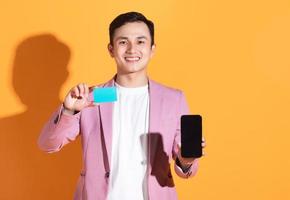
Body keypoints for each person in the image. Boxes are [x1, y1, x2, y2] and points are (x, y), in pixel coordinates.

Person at [38, 11, 205, 200]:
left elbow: (187, 170)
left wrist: (186, 160)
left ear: (152, 49)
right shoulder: (93, 96)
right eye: (123, 42)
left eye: (141, 41)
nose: (132, 49)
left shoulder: (172, 99)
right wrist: (68, 110)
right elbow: (47, 145)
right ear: (111, 49)